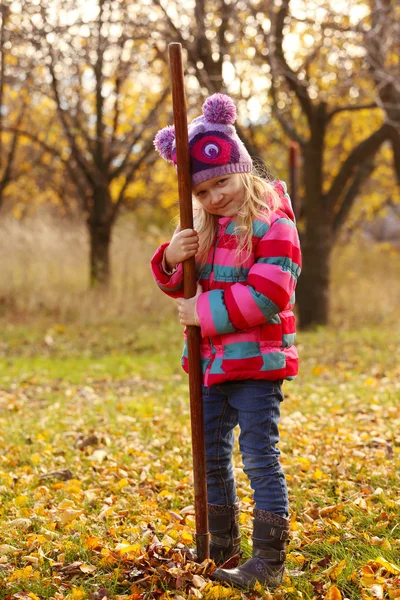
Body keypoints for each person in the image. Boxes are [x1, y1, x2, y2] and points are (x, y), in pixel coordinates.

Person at [151, 93, 301, 590]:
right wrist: (173, 258)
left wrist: (203, 314)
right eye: (204, 191)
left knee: (259, 454)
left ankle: (268, 559)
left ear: (242, 168)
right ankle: (222, 544)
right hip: (212, 363)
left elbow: (268, 294)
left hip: (258, 363)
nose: (216, 196)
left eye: (222, 182)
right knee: (210, 453)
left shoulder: (273, 224)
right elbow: (181, 284)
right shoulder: (206, 228)